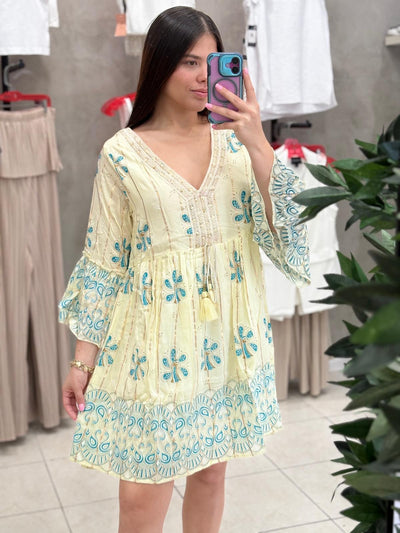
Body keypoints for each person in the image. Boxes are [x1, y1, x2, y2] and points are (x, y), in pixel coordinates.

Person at [59, 6, 310, 533]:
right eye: (189, 62)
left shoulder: (238, 146)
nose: (202, 76)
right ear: (160, 64)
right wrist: (83, 361)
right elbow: (105, 260)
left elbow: (288, 238)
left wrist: (258, 142)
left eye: (211, 62)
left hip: (226, 340)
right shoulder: (121, 154)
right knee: (141, 497)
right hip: (154, 345)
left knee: (211, 474)